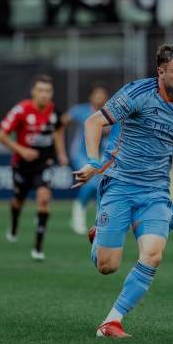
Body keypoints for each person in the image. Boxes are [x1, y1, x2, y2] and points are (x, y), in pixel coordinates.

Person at [72, 44, 173, 338]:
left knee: (153, 254)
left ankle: (111, 322)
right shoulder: (137, 94)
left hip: (155, 192)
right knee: (107, 266)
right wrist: (93, 162)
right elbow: (94, 122)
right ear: (161, 71)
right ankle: (97, 238)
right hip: (119, 185)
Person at [0, 74, 68, 261]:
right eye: (41, 90)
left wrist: (61, 153)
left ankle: (38, 247)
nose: (45, 94)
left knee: (44, 199)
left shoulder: (55, 112)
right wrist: (21, 150)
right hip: (21, 165)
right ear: (33, 92)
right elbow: (1, 136)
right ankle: (13, 224)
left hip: (44, 164)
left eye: (48, 91)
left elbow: (59, 130)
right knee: (18, 201)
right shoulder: (21, 109)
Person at [62, 83, 112, 234]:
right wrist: (58, 147)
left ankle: (102, 220)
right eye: (97, 94)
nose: (100, 97)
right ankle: (78, 215)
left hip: (101, 155)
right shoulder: (81, 110)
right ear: (91, 97)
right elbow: (61, 122)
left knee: (102, 186)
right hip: (80, 154)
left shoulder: (111, 113)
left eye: (103, 94)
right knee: (91, 184)